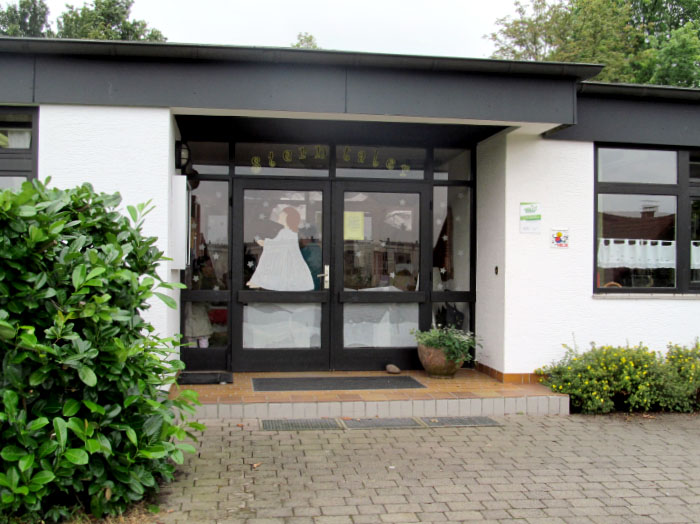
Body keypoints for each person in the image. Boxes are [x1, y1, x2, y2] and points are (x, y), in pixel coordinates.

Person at [247, 207, 314, 291]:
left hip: (288, 259)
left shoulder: (288, 232)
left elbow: (278, 244)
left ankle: (260, 281)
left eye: (282, 215)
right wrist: (266, 243)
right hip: (284, 256)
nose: (279, 217)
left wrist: (264, 242)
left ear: (288, 218)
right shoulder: (285, 231)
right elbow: (277, 243)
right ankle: (259, 281)